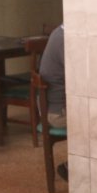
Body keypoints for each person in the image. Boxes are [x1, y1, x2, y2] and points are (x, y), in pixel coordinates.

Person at [38, 24, 67, 180]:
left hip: (54, 107)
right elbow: (81, 76)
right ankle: (73, 166)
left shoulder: (58, 33)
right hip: (58, 113)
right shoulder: (64, 41)